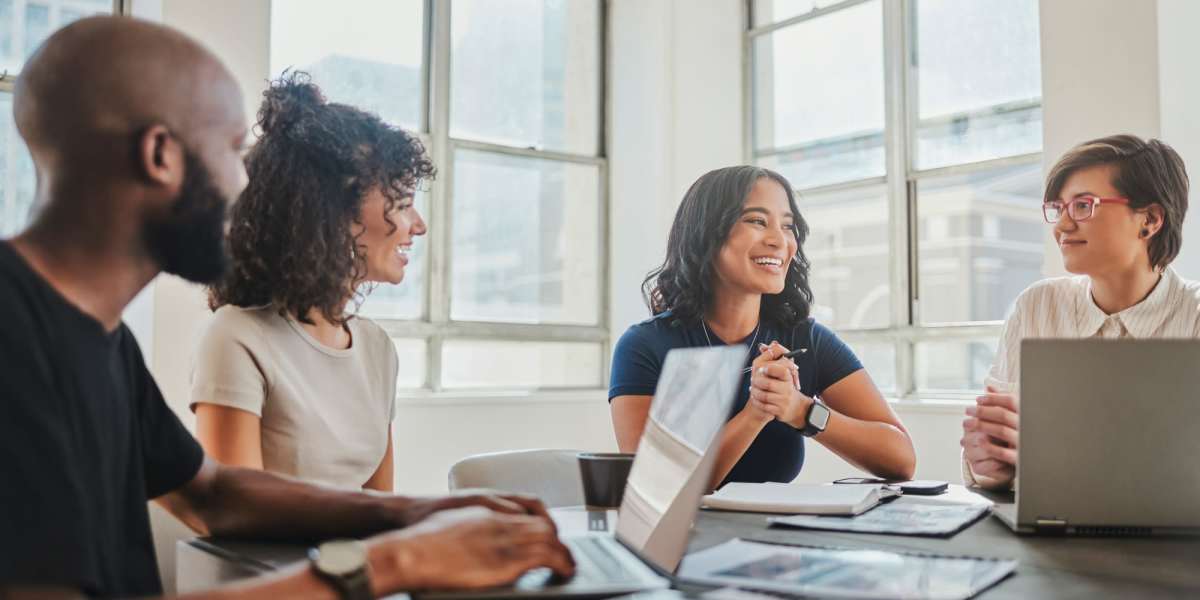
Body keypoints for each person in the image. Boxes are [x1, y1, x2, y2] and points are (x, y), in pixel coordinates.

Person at [0, 17, 572, 599]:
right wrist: (394, 563)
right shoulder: (13, 338)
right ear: (160, 155)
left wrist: (415, 513)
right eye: (229, 151)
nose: (244, 186)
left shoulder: (102, 338)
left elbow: (212, 494)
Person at [191, 73, 430, 491]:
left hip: (359, 556)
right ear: (335, 212)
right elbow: (237, 518)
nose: (419, 225)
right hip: (272, 560)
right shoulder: (237, 337)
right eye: (404, 203)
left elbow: (381, 509)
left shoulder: (377, 349)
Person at [609, 165, 916, 490]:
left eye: (788, 225)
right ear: (706, 234)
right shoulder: (644, 346)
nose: (779, 240)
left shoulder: (805, 338)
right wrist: (756, 412)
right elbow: (654, 486)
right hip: (681, 537)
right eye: (757, 221)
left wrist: (801, 410)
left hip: (779, 536)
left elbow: (901, 459)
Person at [961, 134, 1198, 490]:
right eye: (1059, 209)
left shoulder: (1193, 316)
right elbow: (989, 465)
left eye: (1083, 206)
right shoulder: (1036, 307)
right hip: (1048, 534)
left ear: (1149, 220)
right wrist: (989, 466)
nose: (1061, 226)